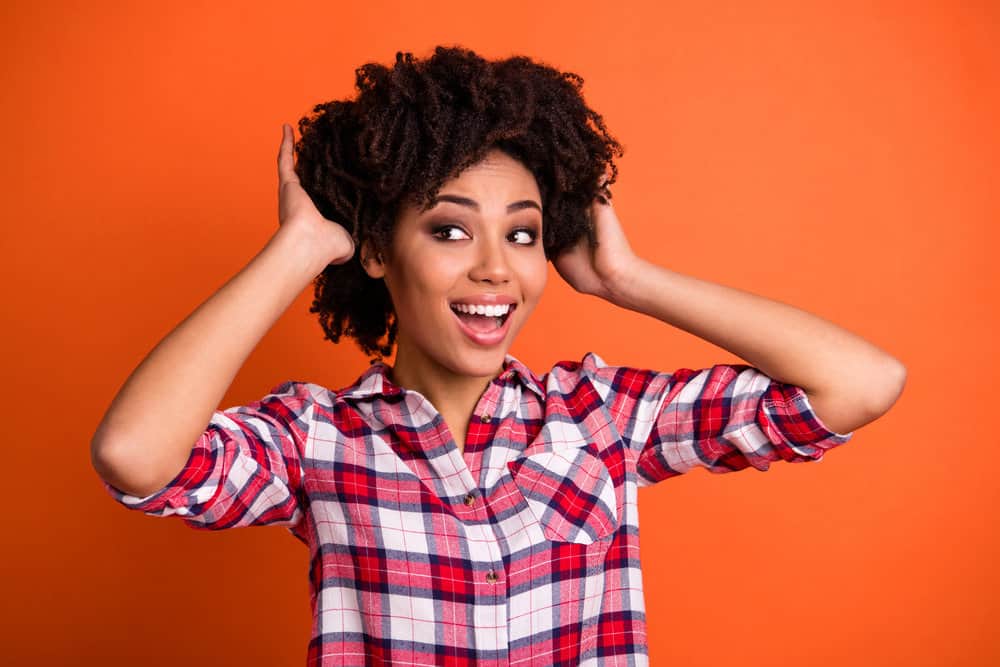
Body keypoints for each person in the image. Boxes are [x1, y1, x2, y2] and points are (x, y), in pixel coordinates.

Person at [91, 46, 906, 666]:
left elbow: (862, 382)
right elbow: (135, 454)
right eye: (450, 229)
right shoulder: (318, 440)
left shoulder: (603, 419)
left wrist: (627, 278)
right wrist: (300, 247)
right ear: (378, 249)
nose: (496, 266)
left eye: (523, 232)